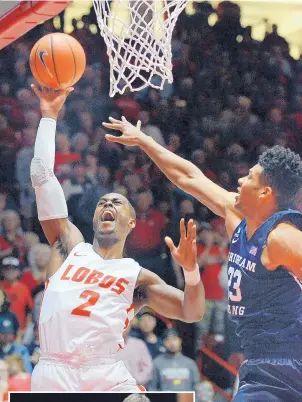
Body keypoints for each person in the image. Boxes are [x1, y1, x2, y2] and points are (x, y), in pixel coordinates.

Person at [104, 116, 302, 401]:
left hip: (287, 365)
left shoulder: (282, 238)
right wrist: (144, 141)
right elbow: (189, 177)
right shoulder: (240, 219)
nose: (239, 180)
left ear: (264, 192)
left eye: (248, 177)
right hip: (259, 364)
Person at [29, 85, 205, 392]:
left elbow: (192, 312)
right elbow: (43, 176)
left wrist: (191, 273)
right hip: (54, 372)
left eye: (116, 202)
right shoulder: (70, 247)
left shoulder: (135, 277)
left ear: (132, 222)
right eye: (102, 203)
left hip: (104, 373)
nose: (108, 205)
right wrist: (48, 116)